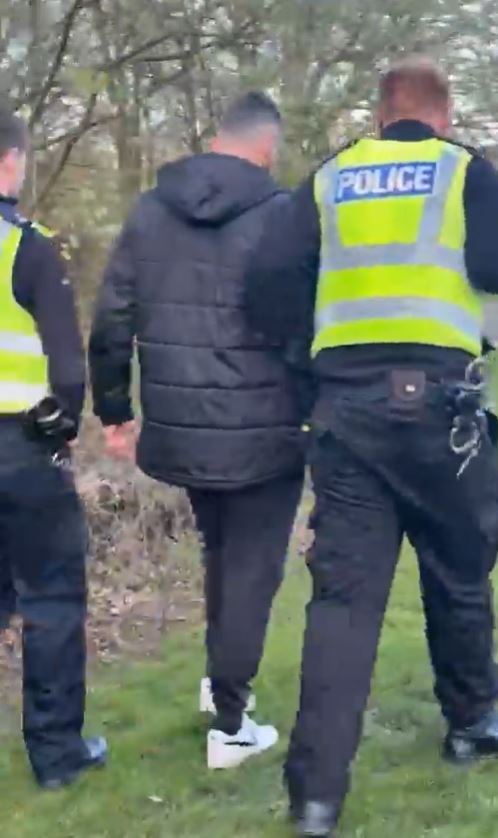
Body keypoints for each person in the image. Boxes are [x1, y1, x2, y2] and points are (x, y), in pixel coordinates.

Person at [246, 56, 498, 836]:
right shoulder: (466, 172)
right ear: (443, 115)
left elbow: (267, 285)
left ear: (381, 113)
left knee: (344, 605)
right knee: (458, 572)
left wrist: (307, 359)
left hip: (346, 410)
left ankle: (316, 799)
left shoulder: (330, 178)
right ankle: (471, 723)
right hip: (442, 410)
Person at [89, 92, 305, 770]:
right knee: (251, 572)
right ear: (267, 146)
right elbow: (305, 327)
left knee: (220, 556)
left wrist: (116, 413)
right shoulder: (284, 216)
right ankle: (233, 727)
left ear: (217, 137)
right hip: (265, 434)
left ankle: (219, 686)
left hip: (182, 432)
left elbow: (110, 318)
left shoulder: (151, 211)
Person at [0, 108, 106, 788]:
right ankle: (57, 755)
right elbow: (69, 370)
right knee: (51, 601)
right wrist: (63, 427)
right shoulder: (30, 248)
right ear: (10, 160)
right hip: (20, 451)